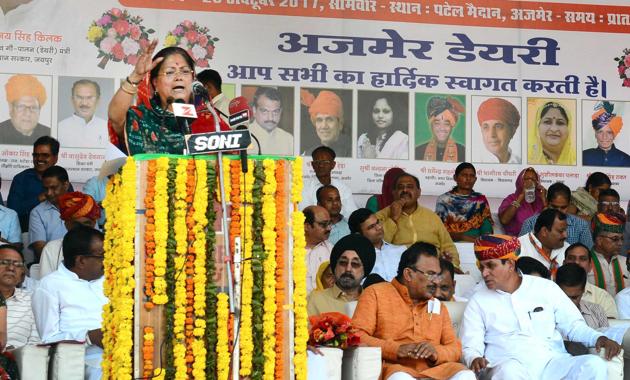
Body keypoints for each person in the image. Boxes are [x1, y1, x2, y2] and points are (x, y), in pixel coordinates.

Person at [461, 234, 619, 380]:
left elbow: (573, 326)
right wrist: (474, 358)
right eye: (481, 268)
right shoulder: (478, 300)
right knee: (510, 371)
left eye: (490, 266)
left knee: (593, 365)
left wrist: (598, 338)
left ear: (510, 264)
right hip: (506, 365)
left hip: (552, 363)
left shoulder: (545, 288)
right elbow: (470, 344)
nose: (484, 273)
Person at [352, 242, 475, 380]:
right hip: (395, 369)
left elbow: (454, 348)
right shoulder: (375, 293)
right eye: (430, 274)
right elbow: (357, 335)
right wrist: (396, 349)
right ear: (408, 274)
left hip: (436, 371)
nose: (436, 282)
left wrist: (436, 352)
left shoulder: (437, 305)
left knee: (466, 375)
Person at [108, 41, 227, 155]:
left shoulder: (209, 120)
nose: (178, 77)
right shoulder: (143, 119)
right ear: (155, 83)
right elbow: (116, 118)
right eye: (170, 72)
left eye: (185, 71)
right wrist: (136, 76)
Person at [32, 226, 107, 380]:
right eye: (102, 256)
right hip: (80, 362)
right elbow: (48, 340)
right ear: (81, 261)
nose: (107, 261)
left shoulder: (109, 280)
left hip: (122, 352)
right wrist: (89, 337)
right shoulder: (50, 285)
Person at [376, 172, 460, 267]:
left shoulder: (432, 217)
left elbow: (448, 246)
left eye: (410, 187)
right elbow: (377, 245)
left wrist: (453, 266)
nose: (405, 190)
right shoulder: (381, 216)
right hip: (398, 268)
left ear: (419, 193)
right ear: (394, 192)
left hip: (432, 268)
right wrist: (393, 219)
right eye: (400, 187)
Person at [307, 234, 375, 316]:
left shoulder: (373, 302)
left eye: (355, 264)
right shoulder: (316, 300)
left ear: (365, 270)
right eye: (343, 262)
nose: (348, 269)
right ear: (335, 267)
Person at [7, 136, 65, 232]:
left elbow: (71, 211)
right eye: (36, 155)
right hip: (25, 234)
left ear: (55, 158)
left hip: (58, 234)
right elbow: (12, 212)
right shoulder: (21, 179)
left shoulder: (63, 181)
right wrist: (39, 199)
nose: (39, 159)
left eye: (45, 155)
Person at [39, 192, 101, 278]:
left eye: (86, 225)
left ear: (94, 224)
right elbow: (47, 285)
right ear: (66, 225)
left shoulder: (105, 248)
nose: (81, 230)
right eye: (76, 225)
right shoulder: (51, 249)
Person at [520, 182, 594, 248]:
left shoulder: (581, 225)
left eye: (563, 207)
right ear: (547, 203)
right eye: (554, 207)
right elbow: (521, 251)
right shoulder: (530, 223)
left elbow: (588, 254)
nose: (558, 211)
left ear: (569, 205)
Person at [435, 162, 493, 242]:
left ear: (475, 179)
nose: (468, 179)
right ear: (455, 178)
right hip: (451, 241)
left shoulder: (480, 199)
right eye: (464, 175)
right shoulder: (444, 199)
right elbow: (439, 228)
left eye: (471, 176)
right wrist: (461, 237)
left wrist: (485, 240)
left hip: (477, 242)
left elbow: (486, 223)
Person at [348, 208, 406, 282]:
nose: (379, 227)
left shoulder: (401, 251)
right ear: (359, 235)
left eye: (378, 222)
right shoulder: (355, 260)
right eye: (371, 227)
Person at [299, 146, 358, 218]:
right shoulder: (303, 187)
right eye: (317, 162)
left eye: (325, 162)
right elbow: (306, 214)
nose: (321, 165)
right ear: (312, 165)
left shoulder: (343, 188)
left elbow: (351, 215)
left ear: (333, 165)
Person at [0, 244, 40, 350]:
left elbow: (35, 343)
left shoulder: (32, 300)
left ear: (22, 272)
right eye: (4, 263)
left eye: (18, 265)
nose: (11, 268)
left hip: (17, 362)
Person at [564, 242, 618, 318]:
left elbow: (610, 327)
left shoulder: (602, 296)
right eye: (571, 258)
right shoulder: (550, 292)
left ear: (590, 266)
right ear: (563, 263)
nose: (576, 262)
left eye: (582, 259)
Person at [28, 165, 71, 261]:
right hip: (50, 265)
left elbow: (93, 242)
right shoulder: (37, 212)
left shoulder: (82, 208)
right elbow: (40, 250)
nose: (49, 193)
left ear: (66, 185)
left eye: (53, 188)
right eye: (45, 188)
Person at [0, 74, 50, 145]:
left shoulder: (48, 133)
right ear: (11, 108)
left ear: (39, 111)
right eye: (21, 107)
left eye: (33, 107)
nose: (27, 113)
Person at [517, 208, 569, 277]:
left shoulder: (568, 249)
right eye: (561, 231)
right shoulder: (518, 248)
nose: (566, 235)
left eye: (565, 230)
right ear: (544, 231)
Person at [57, 79, 108, 148]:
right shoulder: (59, 128)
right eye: (79, 97)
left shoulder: (107, 129)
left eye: (89, 98)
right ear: (72, 100)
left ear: (98, 100)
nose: (84, 103)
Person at [301, 89, 351, 157]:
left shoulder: (352, 153)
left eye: (329, 119)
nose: (324, 126)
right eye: (319, 120)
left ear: (340, 124)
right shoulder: (307, 154)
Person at [357, 94, 408, 159]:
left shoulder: (403, 140)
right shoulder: (363, 139)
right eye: (376, 111)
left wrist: (371, 158)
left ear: (394, 114)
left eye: (386, 111)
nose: (380, 116)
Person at [498, 167, 546, 236]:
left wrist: (544, 200)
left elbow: (550, 222)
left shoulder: (540, 200)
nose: (530, 182)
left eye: (533, 179)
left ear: (537, 183)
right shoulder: (511, 198)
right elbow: (504, 220)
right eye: (526, 179)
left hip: (539, 241)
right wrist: (521, 196)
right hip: (517, 241)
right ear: (520, 181)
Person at [589, 212, 628, 296]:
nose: (620, 243)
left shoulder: (626, 262)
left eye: (622, 239)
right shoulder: (585, 262)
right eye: (615, 239)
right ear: (599, 240)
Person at [416, 96, 465, 162]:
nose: (442, 128)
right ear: (431, 125)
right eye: (437, 123)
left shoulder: (463, 152)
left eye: (446, 124)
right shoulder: (417, 152)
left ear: (452, 126)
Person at [247, 86, 294, 156]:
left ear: (281, 112)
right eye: (264, 111)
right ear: (254, 110)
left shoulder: (289, 140)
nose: (270, 118)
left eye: (275, 111)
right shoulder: (241, 137)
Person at [583, 101, 630, 167]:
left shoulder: (626, 160)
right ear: (595, 134)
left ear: (614, 135)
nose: (604, 137)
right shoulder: (584, 156)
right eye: (600, 132)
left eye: (609, 132)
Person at [528, 101, 576, 165]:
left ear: (568, 128)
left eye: (560, 123)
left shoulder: (577, 159)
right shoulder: (528, 158)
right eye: (547, 122)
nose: (554, 129)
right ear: (537, 126)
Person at [475, 97, 521, 163]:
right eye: (486, 127)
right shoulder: (475, 162)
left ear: (512, 131)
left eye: (498, 126)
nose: (492, 135)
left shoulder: (519, 162)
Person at [303, 206, 333, 293]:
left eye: (329, 224)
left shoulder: (331, 250)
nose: (329, 228)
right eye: (323, 224)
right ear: (307, 226)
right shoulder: (290, 251)